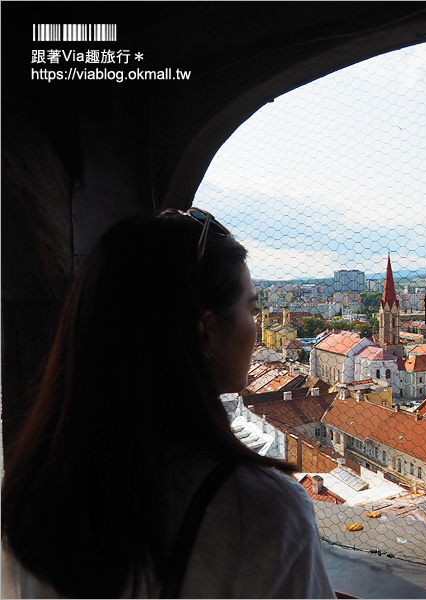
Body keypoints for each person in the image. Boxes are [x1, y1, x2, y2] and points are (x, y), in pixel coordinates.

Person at [1, 208, 335, 598]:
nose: (256, 325)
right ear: (206, 331)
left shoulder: (32, 492)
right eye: (251, 308)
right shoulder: (263, 514)